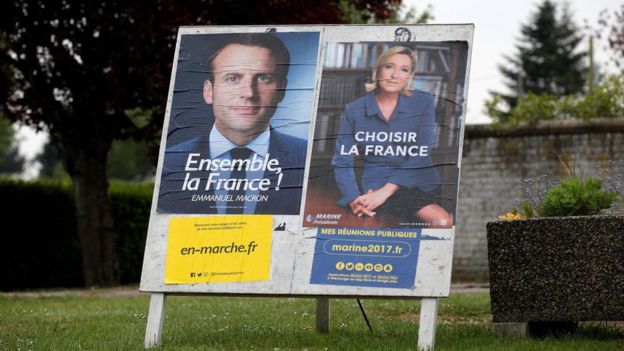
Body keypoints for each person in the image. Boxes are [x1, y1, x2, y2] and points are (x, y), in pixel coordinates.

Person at [157, 33, 307, 215]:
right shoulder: (169, 162)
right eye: (233, 78)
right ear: (209, 91)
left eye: (263, 78)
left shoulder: (307, 160)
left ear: (281, 90)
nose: (248, 93)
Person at [332, 46, 453, 227]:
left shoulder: (424, 101)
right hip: (376, 183)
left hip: (418, 180)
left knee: (444, 221)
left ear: (409, 76)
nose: (395, 75)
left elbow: (421, 153)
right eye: (389, 67)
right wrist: (353, 199)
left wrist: (386, 191)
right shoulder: (354, 110)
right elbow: (342, 161)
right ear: (378, 69)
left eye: (403, 70)